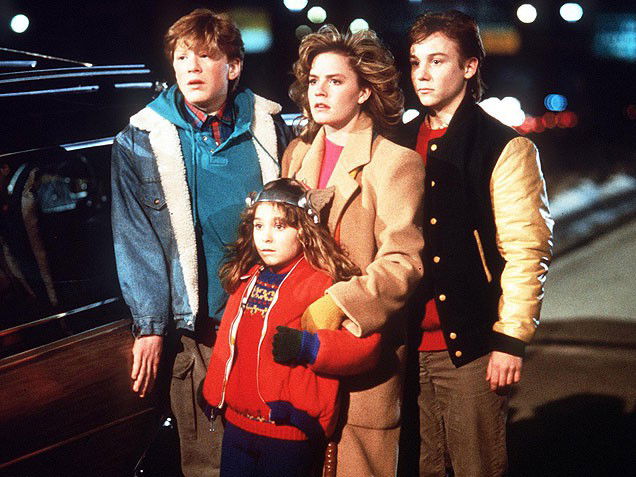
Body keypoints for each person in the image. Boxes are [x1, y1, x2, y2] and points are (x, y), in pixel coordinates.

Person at [110, 8, 291, 477]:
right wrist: (150, 326)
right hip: (198, 333)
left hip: (266, 321)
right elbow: (136, 239)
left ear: (233, 66)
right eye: (182, 56)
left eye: (205, 56)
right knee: (209, 464)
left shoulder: (270, 128)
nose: (191, 66)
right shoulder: (140, 140)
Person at [398, 10, 554, 477]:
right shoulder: (399, 141)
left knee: (475, 466)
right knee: (419, 467)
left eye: (437, 61)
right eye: (415, 62)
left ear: (469, 67)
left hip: (470, 345)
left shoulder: (503, 145)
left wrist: (510, 339)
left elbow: (526, 249)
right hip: (404, 345)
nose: (422, 74)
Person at [282, 25, 425, 477]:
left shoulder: (395, 162)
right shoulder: (296, 154)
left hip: (359, 354)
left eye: (335, 80)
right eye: (313, 80)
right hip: (299, 348)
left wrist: (339, 303)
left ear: (364, 92)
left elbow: (403, 261)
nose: (319, 91)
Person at [203, 178, 382, 477]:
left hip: (289, 432)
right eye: (259, 226)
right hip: (237, 426)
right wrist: (213, 391)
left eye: (280, 226)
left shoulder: (322, 283)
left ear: (303, 229)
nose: (266, 237)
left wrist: (310, 348)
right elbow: (228, 343)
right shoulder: (247, 279)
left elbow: (367, 346)